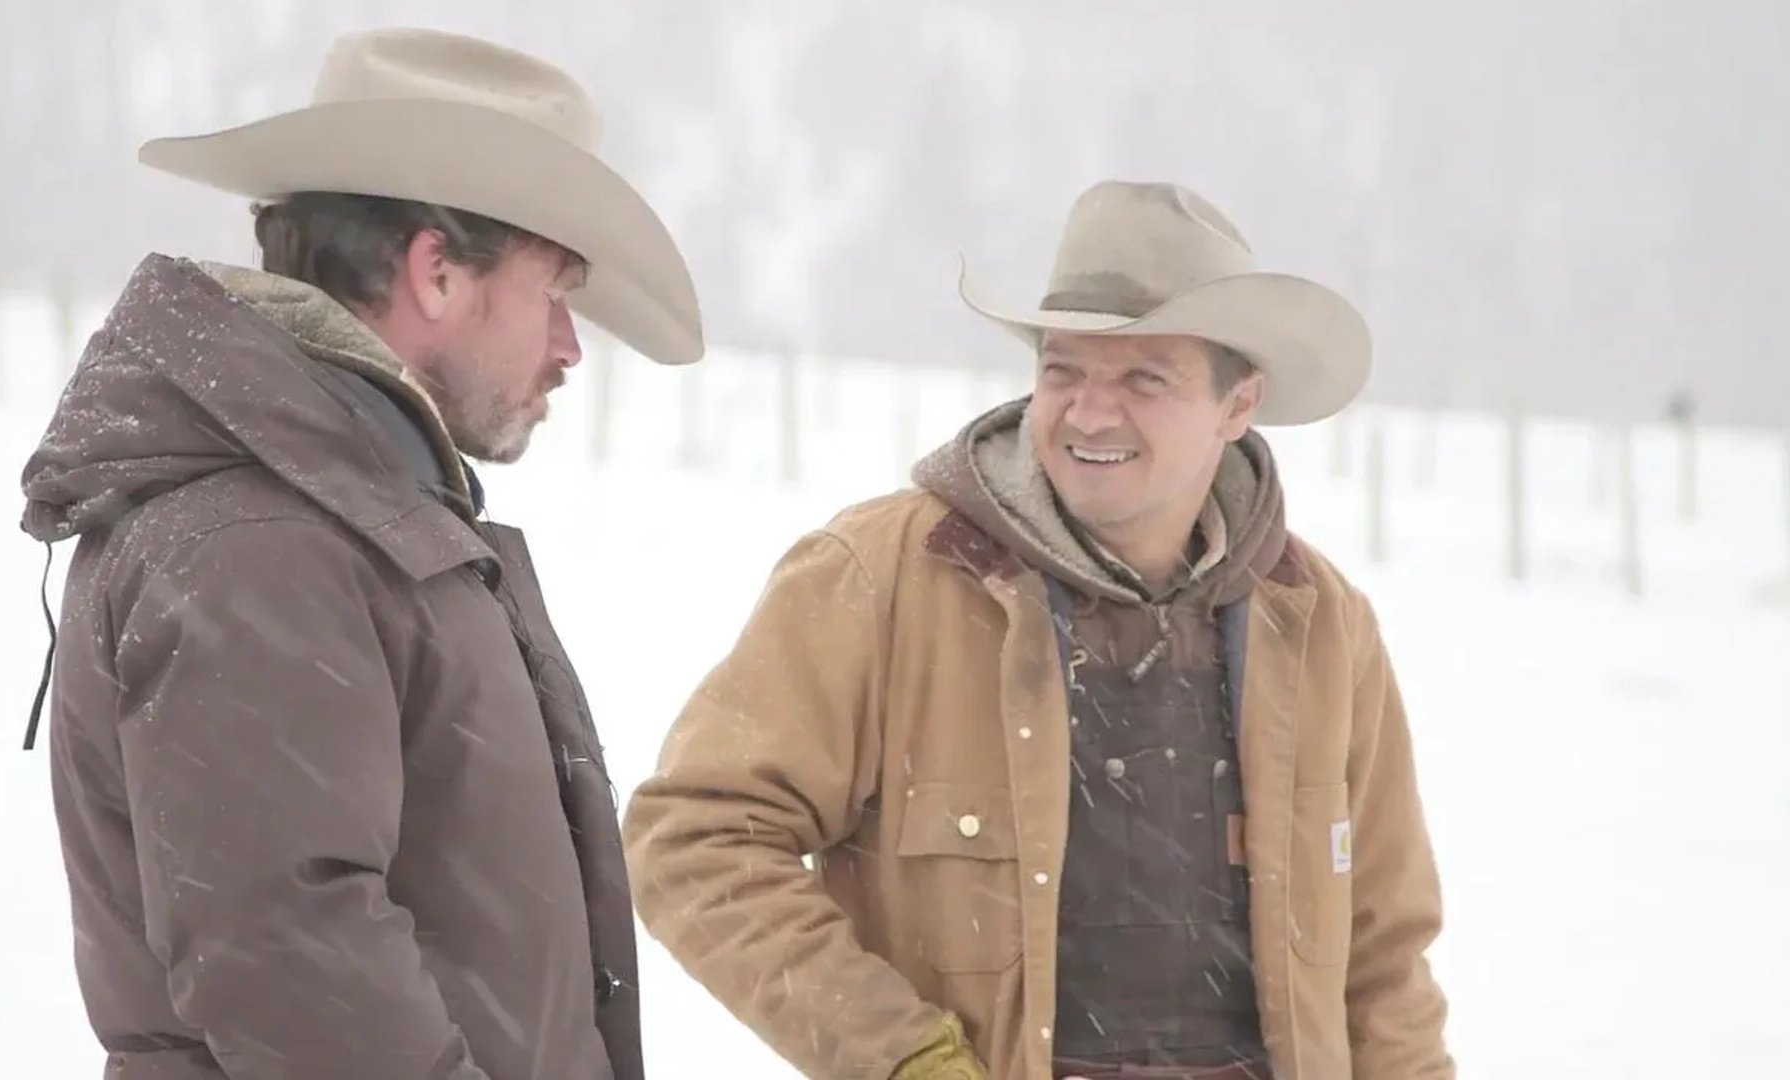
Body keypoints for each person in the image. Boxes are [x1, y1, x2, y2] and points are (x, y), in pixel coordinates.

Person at [621, 180, 1454, 1080]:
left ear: (1237, 404)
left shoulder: (1321, 623)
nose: (1091, 413)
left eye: (1144, 377)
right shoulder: (880, 578)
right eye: (1064, 371)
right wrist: (901, 1058)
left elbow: (1384, 960)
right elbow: (697, 838)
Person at [17, 27, 702, 1080]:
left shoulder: (347, 515)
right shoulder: (261, 540)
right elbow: (295, 961)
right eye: (555, 293)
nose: (569, 347)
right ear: (435, 272)